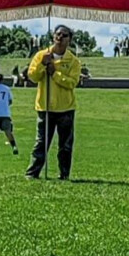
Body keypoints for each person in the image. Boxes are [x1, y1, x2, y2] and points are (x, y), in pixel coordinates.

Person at [25, 25, 82, 180]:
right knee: (41, 143)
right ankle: (32, 173)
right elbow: (32, 76)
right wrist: (42, 65)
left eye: (64, 35)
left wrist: (55, 74)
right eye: (58, 34)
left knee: (65, 146)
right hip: (45, 107)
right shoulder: (42, 55)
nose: (60, 38)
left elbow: (72, 83)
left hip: (66, 108)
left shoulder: (73, 61)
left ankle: (64, 174)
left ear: (69, 39)